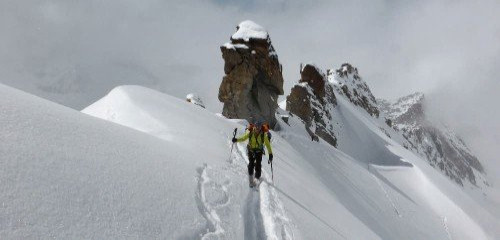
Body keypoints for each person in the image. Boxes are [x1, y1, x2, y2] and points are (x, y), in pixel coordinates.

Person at [232, 121, 273, 187]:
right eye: (256, 127)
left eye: (258, 127)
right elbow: (243, 138)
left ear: (260, 128)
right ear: (254, 127)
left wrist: (270, 154)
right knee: (251, 164)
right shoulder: (250, 133)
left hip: (259, 151)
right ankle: (250, 178)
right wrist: (236, 140)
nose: (257, 128)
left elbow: (268, 145)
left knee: (258, 164)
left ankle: (257, 177)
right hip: (251, 150)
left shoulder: (263, 135)